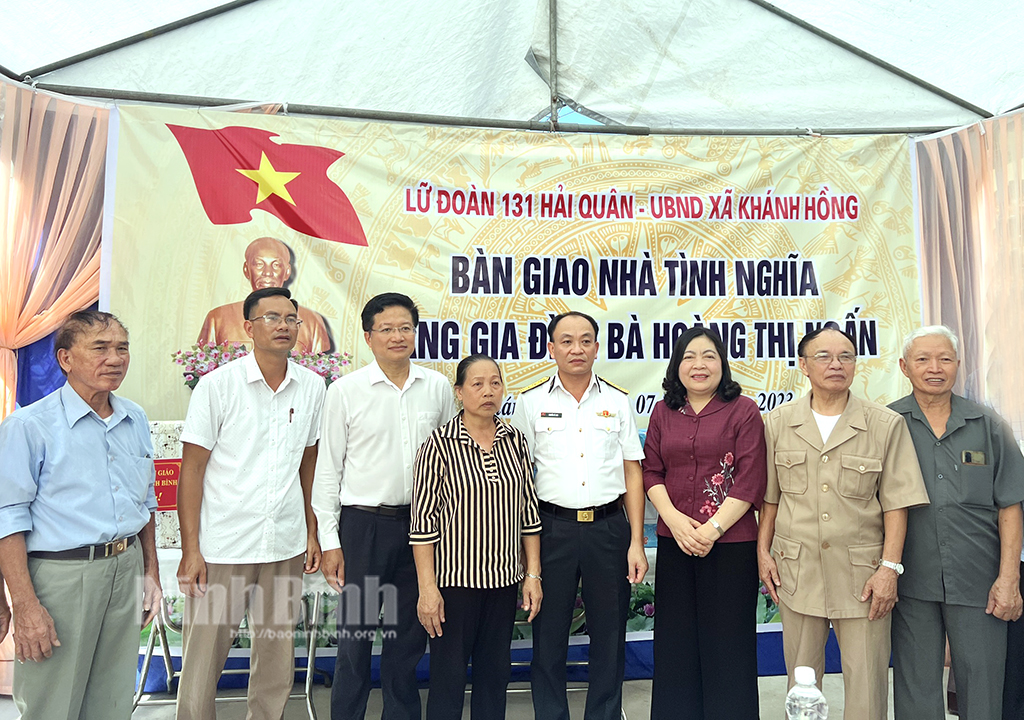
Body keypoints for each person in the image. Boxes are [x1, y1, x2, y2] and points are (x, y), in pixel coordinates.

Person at [757, 326, 930, 720]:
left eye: (846, 356)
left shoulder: (884, 424)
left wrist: (889, 569)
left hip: (863, 577)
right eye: (823, 356)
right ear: (803, 365)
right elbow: (770, 500)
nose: (836, 364)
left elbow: (897, 505)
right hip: (795, 571)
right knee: (800, 685)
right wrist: (762, 553)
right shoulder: (777, 423)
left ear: (855, 364)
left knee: (867, 683)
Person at [0, 310, 162, 720]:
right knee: (51, 704)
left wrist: (150, 573)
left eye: (122, 348)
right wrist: (24, 606)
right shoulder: (30, 426)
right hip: (60, 578)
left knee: (112, 700)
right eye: (101, 348)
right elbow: (7, 519)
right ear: (65, 359)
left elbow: (144, 505)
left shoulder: (135, 418)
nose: (115, 358)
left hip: (125, 570)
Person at [175, 287, 326, 720]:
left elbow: (309, 465)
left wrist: (312, 531)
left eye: (290, 319)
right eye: (272, 318)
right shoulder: (217, 386)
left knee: (277, 660)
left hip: (286, 543)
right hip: (225, 544)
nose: (283, 326)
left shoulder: (313, 387)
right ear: (248, 327)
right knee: (204, 660)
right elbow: (193, 470)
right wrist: (191, 550)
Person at [312, 292, 457, 720]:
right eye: (387, 329)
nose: (398, 336)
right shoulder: (345, 391)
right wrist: (330, 540)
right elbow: (327, 472)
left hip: (424, 529)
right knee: (356, 639)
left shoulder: (436, 387)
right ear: (368, 336)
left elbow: (453, 458)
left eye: (405, 328)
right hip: (364, 529)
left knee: (408, 640)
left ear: (416, 333)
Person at [509, 310, 648, 720]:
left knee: (609, 635)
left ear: (597, 348)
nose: (576, 348)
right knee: (548, 636)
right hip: (550, 529)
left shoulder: (617, 401)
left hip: (608, 529)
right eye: (566, 341)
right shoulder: (530, 403)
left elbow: (632, 473)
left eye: (585, 340)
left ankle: (603, 714)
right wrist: (524, 549)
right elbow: (518, 477)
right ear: (551, 348)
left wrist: (636, 540)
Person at [887, 326, 1024, 720]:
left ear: (958, 366)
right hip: (910, 579)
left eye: (945, 359)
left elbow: (1011, 505)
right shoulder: (887, 424)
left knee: (982, 686)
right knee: (915, 688)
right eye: (923, 360)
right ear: (904, 367)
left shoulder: (988, 424)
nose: (935, 368)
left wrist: (1009, 579)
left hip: (979, 581)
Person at [641, 327, 766, 719]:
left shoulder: (743, 409)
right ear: (677, 364)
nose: (699, 364)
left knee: (729, 646)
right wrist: (676, 522)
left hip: (730, 546)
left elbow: (751, 479)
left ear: (722, 364)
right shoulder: (663, 411)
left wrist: (711, 530)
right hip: (675, 542)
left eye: (709, 355)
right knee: (676, 645)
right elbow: (651, 472)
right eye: (690, 356)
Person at [411, 354, 543, 720]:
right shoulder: (439, 444)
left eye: (495, 383)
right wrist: (428, 590)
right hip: (455, 585)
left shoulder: (514, 440)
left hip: (503, 582)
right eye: (477, 384)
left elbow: (528, 513)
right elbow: (422, 526)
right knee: (448, 680)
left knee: (494, 676)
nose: (488, 391)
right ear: (459, 392)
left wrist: (533, 574)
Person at [198, 236, 331, 353]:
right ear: (246, 269)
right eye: (259, 264)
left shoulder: (312, 321)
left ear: (287, 271)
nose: (268, 273)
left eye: (276, 265)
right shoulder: (217, 318)